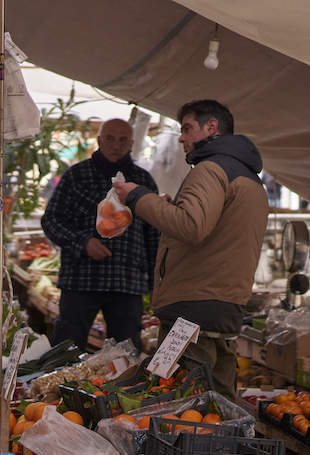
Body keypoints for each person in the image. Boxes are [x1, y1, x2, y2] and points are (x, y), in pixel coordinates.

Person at [113, 100, 268, 402]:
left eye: (186, 128)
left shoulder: (210, 170)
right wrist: (169, 208)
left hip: (193, 308)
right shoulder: (250, 178)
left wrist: (140, 197)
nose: (181, 137)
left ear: (211, 127)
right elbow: (215, 231)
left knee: (178, 402)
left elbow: (191, 226)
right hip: (225, 306)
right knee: (218, 403)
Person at [40, 118, 161, 352]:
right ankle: (59, 389)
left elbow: (155, 236)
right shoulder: (76, 176)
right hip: (81, 279)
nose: (116, 145)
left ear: (132, 144)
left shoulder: (143, 181)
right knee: (67, 349)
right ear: (99, 140)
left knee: (126, 355)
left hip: (127, 280)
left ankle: (120, 389)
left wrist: (156, 282)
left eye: (123, 140)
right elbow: (51, 220)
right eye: (110, 138)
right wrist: (82, 243)